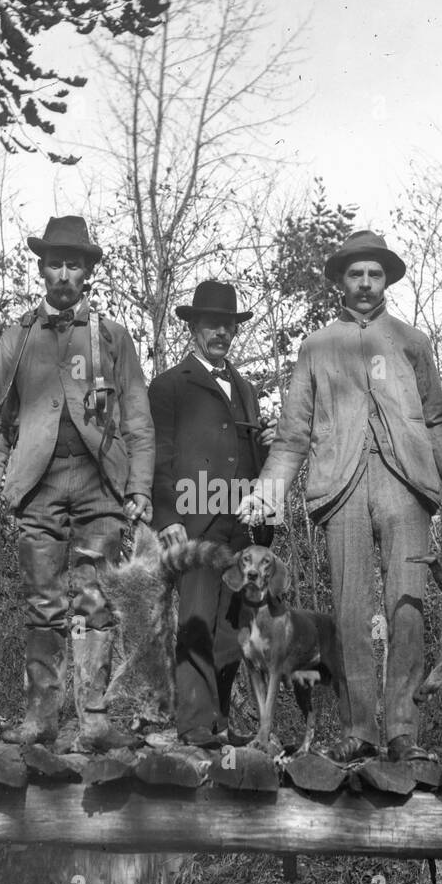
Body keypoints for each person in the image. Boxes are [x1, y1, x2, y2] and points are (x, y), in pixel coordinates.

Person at [238, 230, 442, 764]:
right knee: (348, 614)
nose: (365, 284)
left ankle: (402, 732)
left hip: (406, 487)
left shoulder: (412, 343)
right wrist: (267, 490)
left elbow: (437, 418)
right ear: (340, 283)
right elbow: (294, 432)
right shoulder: (317, 346)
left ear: (386, 279)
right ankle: (360, 731)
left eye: (374, 274)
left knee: (407, 609)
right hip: (339, 486)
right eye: (355, 275)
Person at [0, 215, 154, 750]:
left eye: (75, 263)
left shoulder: (114, 338)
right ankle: (40, 717)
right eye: (55, 262)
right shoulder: (18, 338)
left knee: (96, 600)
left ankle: (94, 718)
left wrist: (139, 488)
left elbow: (138, 422)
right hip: (38, 487)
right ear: (42, 268)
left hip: (100, 485)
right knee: (43, 602)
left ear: (88, 271)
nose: (64, 273)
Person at [148, 281, 276, 749]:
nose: (220, 332)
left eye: (228, 324)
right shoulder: (168, 386)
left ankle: (219, 721)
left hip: (241, 527)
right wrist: (166, 516)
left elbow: (255, 460)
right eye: (211, 324)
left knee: (230, 631)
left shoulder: (246, 388)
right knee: (197, 622)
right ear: (194, 328)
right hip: (193, 521)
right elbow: (157, 455)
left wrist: (266, 507)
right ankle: (195, 726)